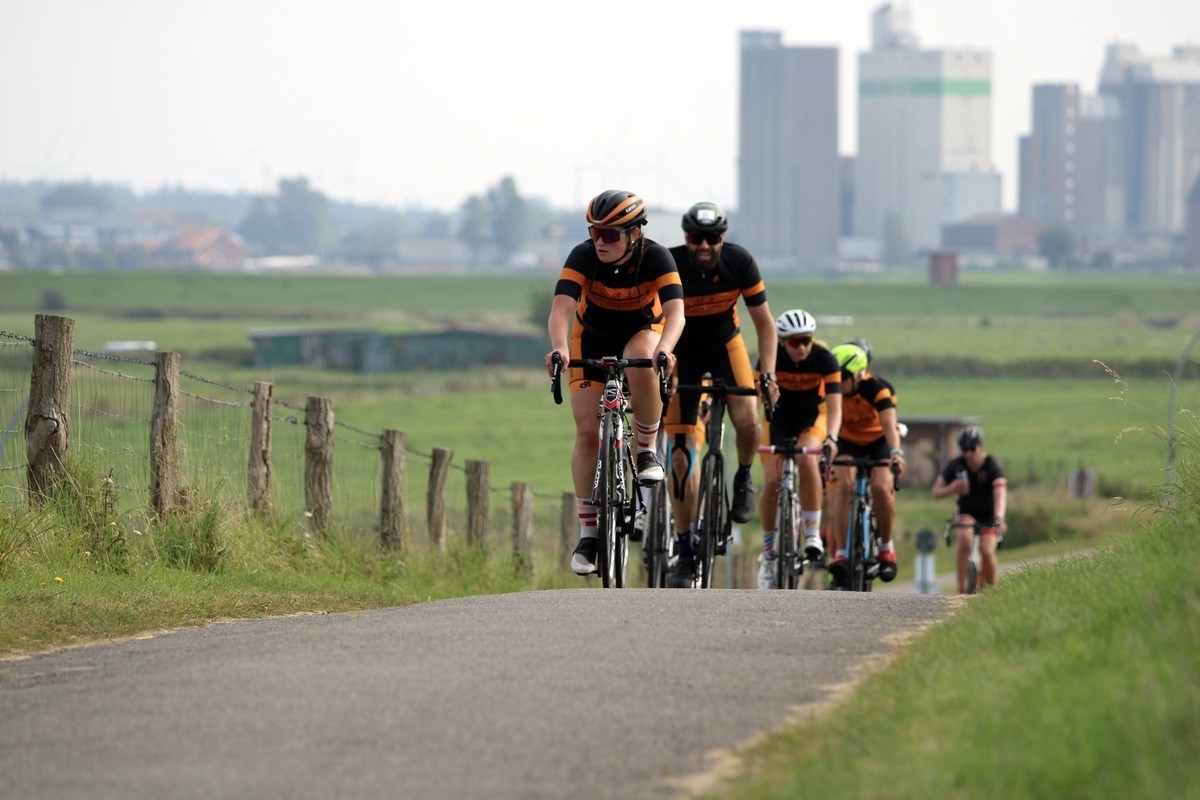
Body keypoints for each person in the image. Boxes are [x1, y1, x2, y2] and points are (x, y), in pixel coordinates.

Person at [545, 190, 685, 577]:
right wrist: (559, 349)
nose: (599, 242)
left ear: (635, 234)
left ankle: (645, 451)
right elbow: (561, 310)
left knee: (643, 360)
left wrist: (667, 349)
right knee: (588, 433)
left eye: (610, 235)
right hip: (592, 337)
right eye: (594, 232)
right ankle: (589, 533)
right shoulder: (583, 255)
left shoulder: (656, 257)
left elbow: (676, 312)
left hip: (643, 330)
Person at [661, 202, 778, 588]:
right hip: (681, 353)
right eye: (697, 238)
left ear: (723, 238)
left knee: (748, 420)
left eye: (713, 238)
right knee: (680, 458)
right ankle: (684, 548)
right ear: (686, 238)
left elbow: (765, 324)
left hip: (725, 346)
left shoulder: (739, 262)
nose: (705, 245)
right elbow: (652, 319)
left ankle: (743, 477)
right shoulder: (670, 263)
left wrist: (768, 374)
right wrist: (663, 365)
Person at [756, 309, 842, 590]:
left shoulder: (824, 359)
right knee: (771, 480)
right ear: (782, 342)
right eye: (794, 342)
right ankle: (769, 553)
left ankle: (813, 534)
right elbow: (757, 399)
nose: (802, 347)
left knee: (807, 460)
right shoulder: (771, 358)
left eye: (806, 340)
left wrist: (832, 437)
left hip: (810, 419)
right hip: (777, 419)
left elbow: (834, 405)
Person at [825, 343, 905, 585]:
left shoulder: (878, 389)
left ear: (859, 375)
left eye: (844, 377)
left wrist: (895, 452)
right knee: (842, 487)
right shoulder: (833, 390)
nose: (839, 382)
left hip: (876, 442)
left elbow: (890, 425)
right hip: (848, 442)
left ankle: (886, 547)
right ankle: (841, 552)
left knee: (881, 488)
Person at [931, 425, 1008, 593]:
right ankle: (960, 589)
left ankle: (993, 592)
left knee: (987, 551)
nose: (968, 454)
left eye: (972, 449)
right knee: (964, 538)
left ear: (981, 447)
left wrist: (999, 518)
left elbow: (1000, 494)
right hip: (967, 512)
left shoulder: (992, 465)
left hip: (989, 514)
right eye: (964, 449)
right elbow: (936, 491)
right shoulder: (956, 466)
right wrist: (952, 488)